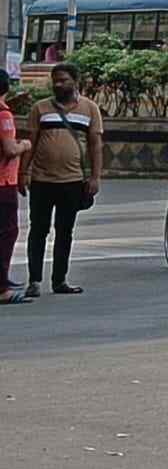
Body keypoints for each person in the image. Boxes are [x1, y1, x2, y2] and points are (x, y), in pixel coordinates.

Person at [22, 62, 102, 297]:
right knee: (38, 230)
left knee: (65, 230)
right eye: (55, 80)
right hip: (41, 180)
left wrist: (95, 177)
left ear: (75, 82)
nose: (58, 84)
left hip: (72, 180)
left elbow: (96, 145)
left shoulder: (90, 109)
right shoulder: (40, 108)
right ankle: (34, 280)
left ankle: (60, 280)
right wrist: (22, 172)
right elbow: (31, 142)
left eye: (63, 80)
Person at [0, 70, 31, 304]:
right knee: (7, 232)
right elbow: (10, 150)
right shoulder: (4, 115)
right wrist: (24, 145)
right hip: (3, 183)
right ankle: (2, 287)